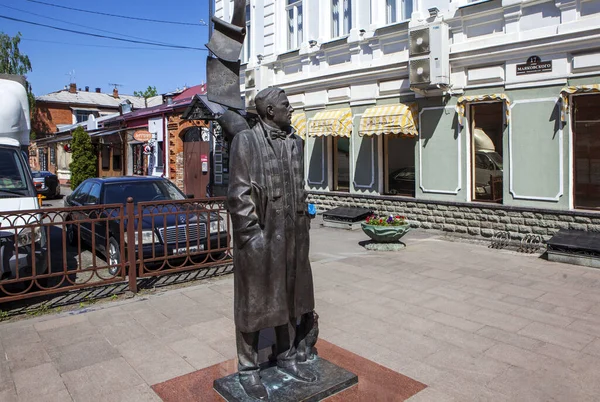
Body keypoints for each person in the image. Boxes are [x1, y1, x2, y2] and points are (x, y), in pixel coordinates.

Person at [227, 87, 316, 400]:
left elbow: (298, 187)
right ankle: (248, 369)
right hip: (260, 239)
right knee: (254, 305)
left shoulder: (295, 141)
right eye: (286, 105)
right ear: (269, 111)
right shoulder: (246, 141)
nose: (291, 110)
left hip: (292, 236)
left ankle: (287, 354)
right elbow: (238, 196)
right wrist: (251, 238)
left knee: (289, 298)